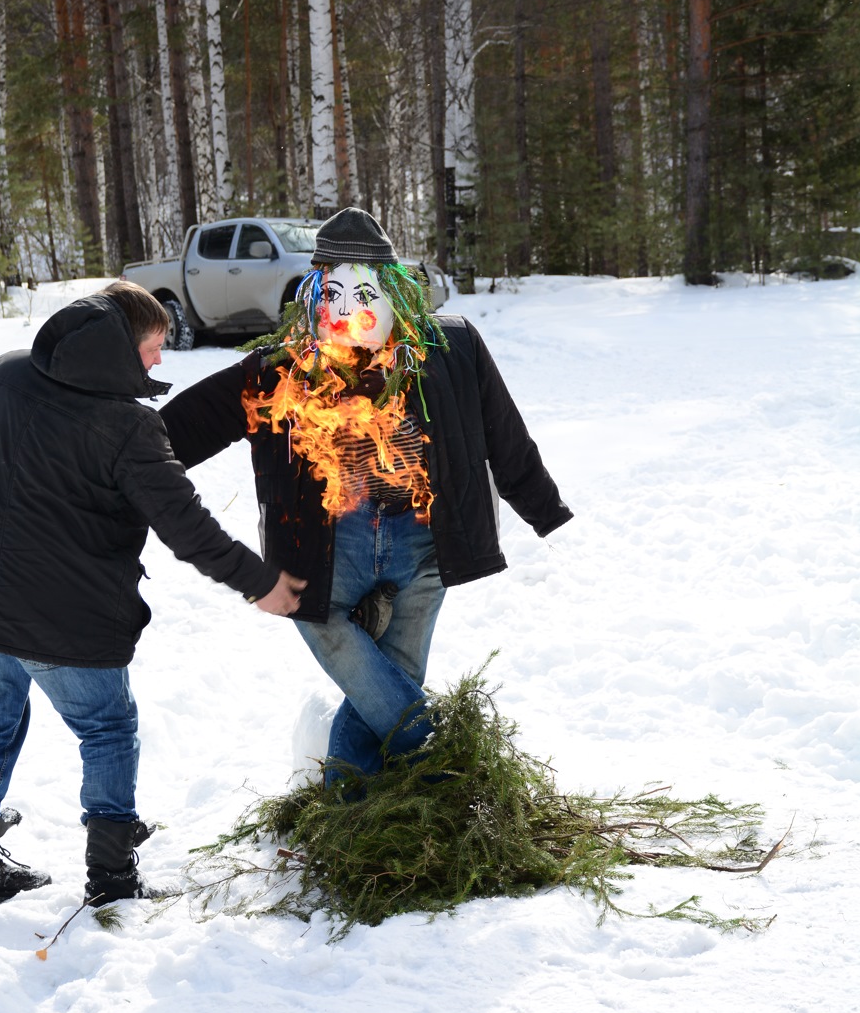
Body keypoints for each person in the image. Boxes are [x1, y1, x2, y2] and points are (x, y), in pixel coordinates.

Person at [159, 208, 572, 783]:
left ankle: (352, 808)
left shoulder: (449, 347)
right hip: (330, 542)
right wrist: (110, 460)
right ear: (312, 296)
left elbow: (505, 436)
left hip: (423, 538)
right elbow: (178, 430)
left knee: (393, 675)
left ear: (396, 293)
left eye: (364, 293)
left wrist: (548, 514)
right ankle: (442, 768)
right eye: (333, 294)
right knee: (330, 631)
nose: (349, 311)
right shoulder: (283, 368)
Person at [0, 281, 305, 908]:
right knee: (107, 728)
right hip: (65, 616)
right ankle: (112, 878)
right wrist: (261, 582)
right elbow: (185, 525)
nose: (161, 360)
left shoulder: (1, 377)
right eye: (156, 347)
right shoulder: (127, 424)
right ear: (117, 346)